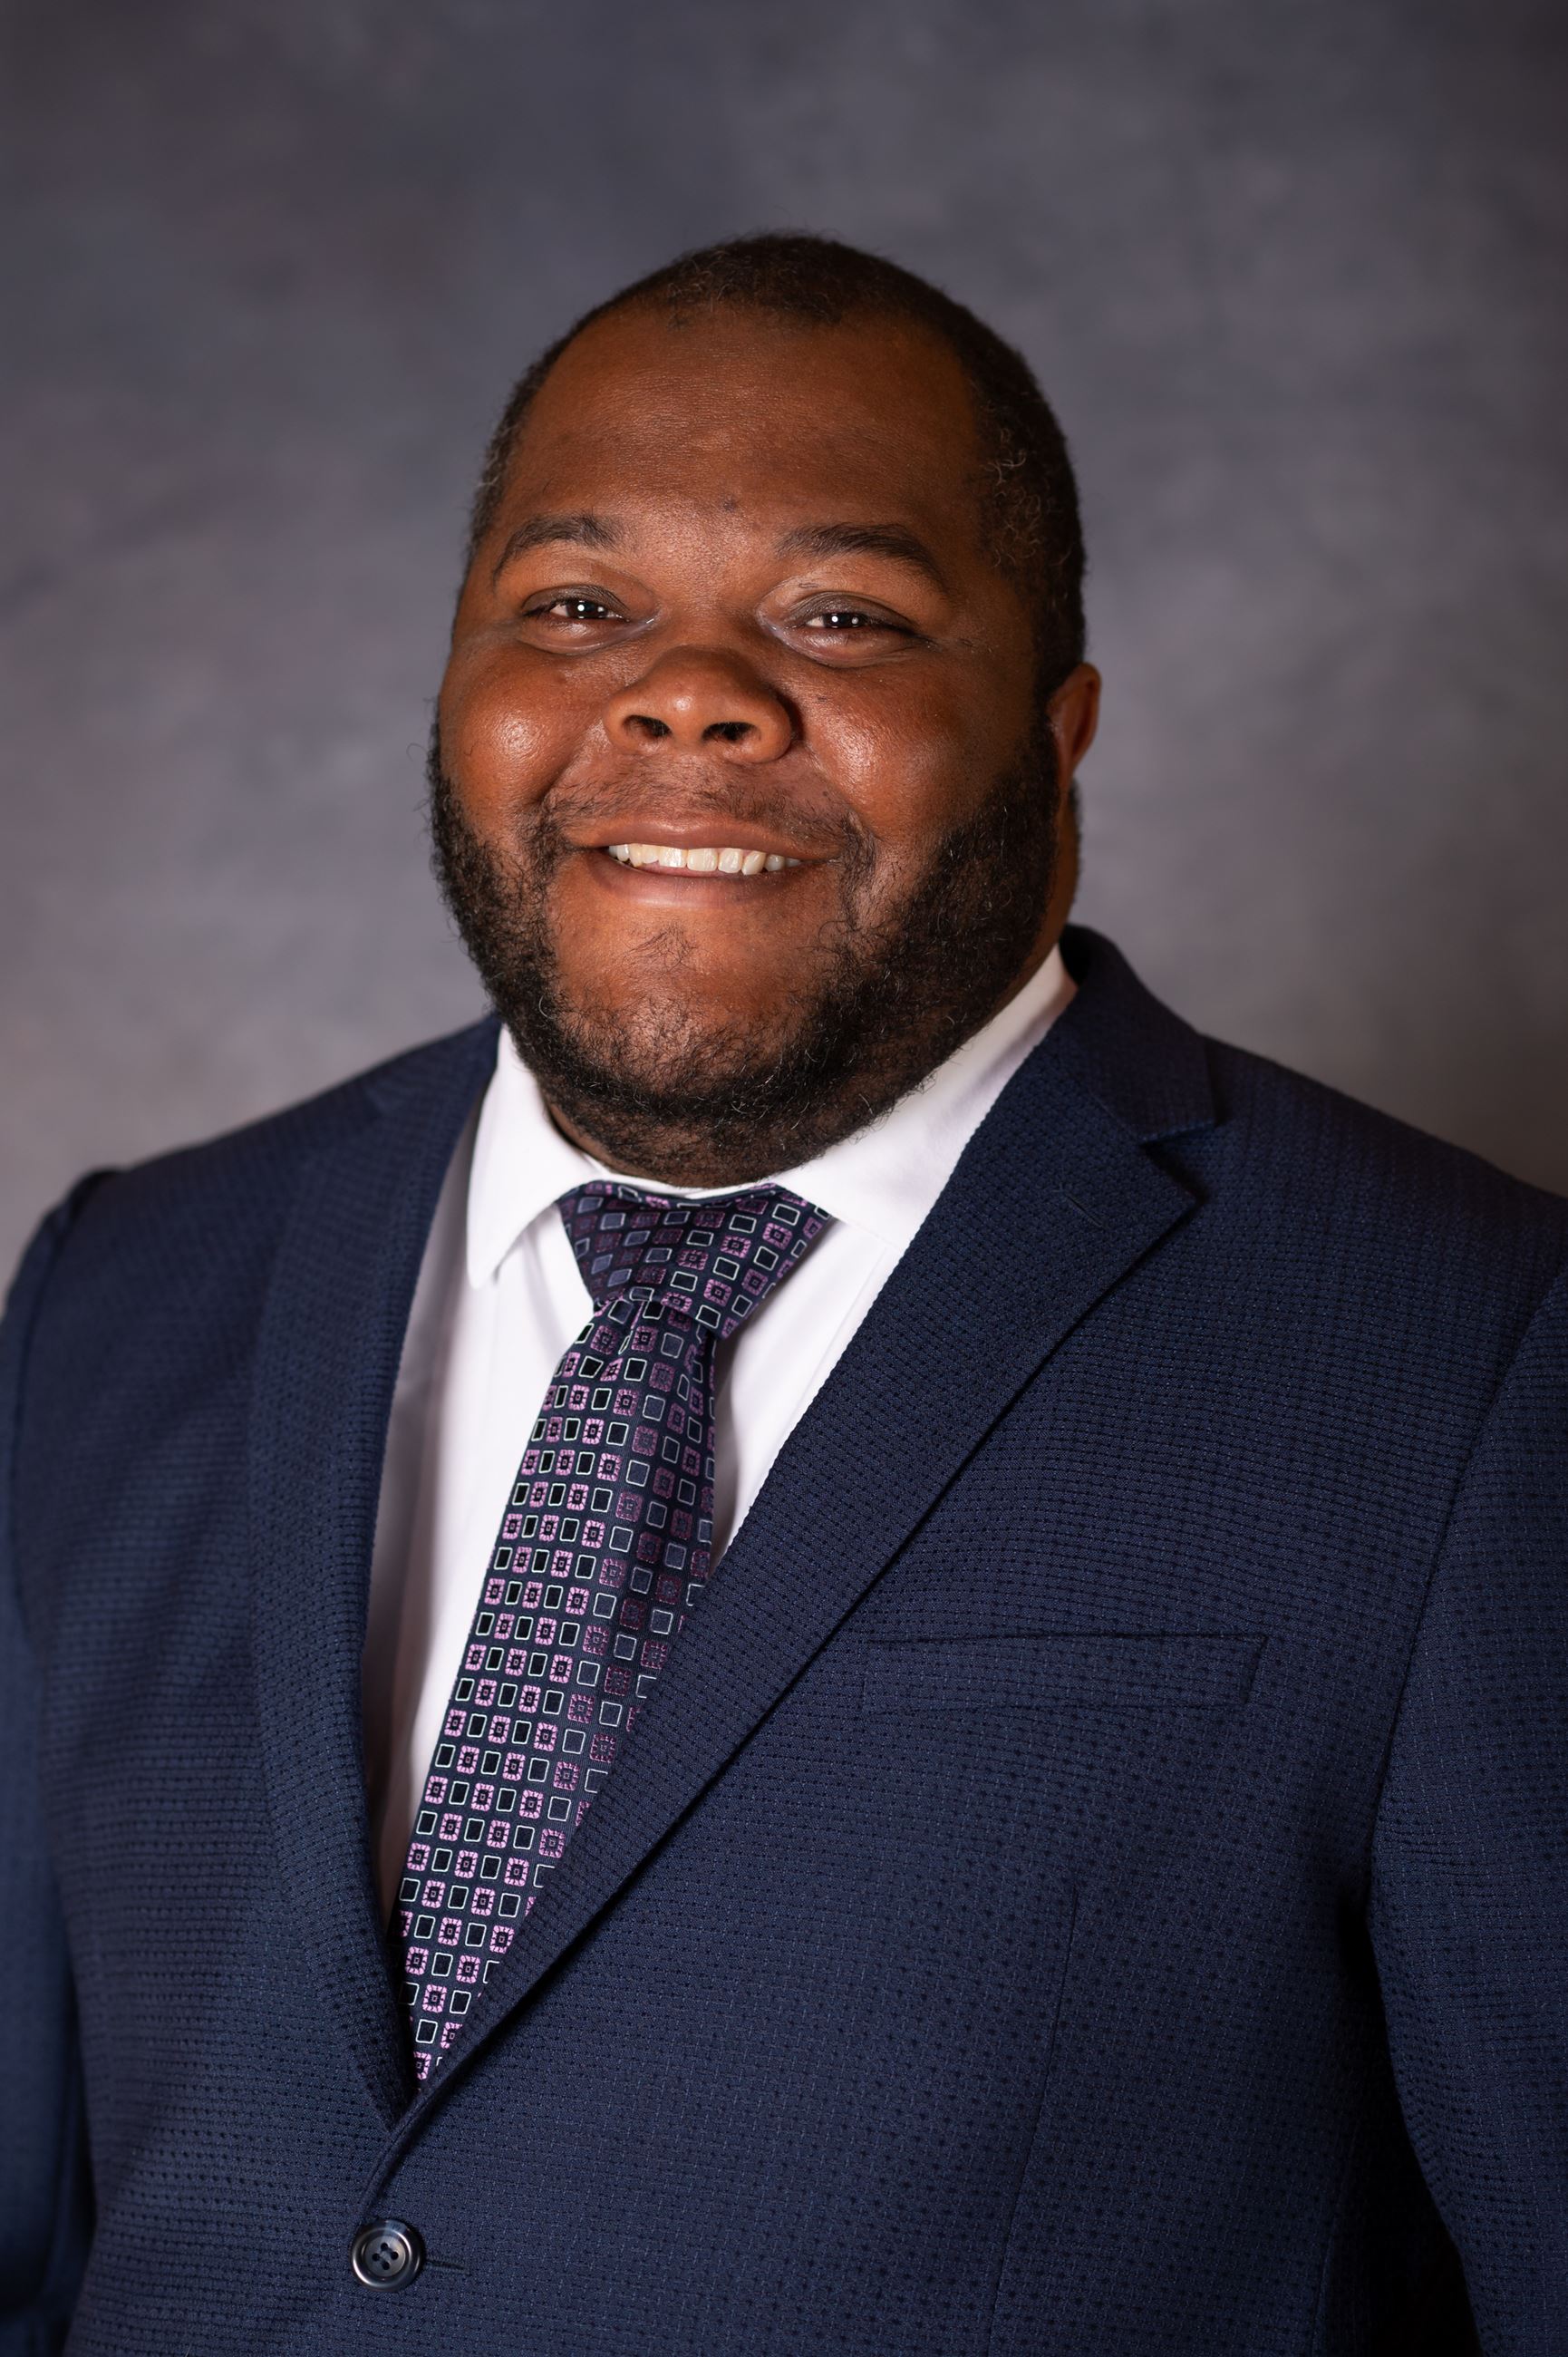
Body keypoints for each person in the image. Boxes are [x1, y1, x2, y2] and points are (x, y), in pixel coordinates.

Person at [3, 232, 1563, 2356]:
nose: (687, 694)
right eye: (577, 607)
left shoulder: (1468, 1357)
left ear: (1056, 730)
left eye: (841, 616)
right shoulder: (124, 1289)